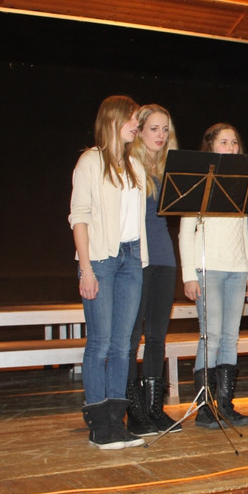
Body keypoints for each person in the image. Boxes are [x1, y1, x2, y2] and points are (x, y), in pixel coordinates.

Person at [69, 95, 147, 449]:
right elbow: (79, 217)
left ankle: (117, 422)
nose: (136, 125)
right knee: (100, 342)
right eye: (132, 118)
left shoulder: (134, 165)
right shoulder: (90, 161)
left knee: (122, 345)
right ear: (113, 120)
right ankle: (99, 426)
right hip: (101, 259)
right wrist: (85, 269)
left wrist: (140, 259)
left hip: (131, 258)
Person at [179, 123, 248, 429]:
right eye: (224, 142)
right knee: (210, 337)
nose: (231, 147)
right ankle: (205, 407)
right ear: (210, 145)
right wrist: (188, 274)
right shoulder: (199, 181)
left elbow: (244, 230)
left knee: (230, 338)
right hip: (207, 268)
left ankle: (225, 404)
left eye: (234, 142)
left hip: (237, 269)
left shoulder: (242, 182)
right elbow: (186, 232)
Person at [126, 104, 181, 436]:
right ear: (139, 131)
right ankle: (134, 412)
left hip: (164, 257)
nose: (160, 135)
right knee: (133, 337)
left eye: (165, 129)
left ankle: (154, 409)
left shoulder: (168, 169)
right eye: (154, 128)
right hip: (137, 258)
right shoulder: (128, 165)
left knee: (158, 336)